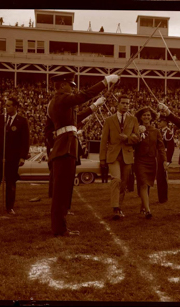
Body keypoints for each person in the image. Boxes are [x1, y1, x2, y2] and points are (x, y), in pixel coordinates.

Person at [47, 72, 119, 236]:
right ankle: (59, 228)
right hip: (65, 147)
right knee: (61, 192)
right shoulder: (61, 99)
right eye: (71, 86)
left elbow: (75, 118)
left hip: (65, 146)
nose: (73, 89)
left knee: (64, 191)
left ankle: (60, 226)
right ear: (63, 85)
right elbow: (84, 96)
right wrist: (105, 82)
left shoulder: (58, 102)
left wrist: (95, 106)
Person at [0, 97, 30, 215]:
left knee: (11, 183)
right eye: (6, 105)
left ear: (15, 107)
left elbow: (25, 141)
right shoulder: (1, 118)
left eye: (8, 105)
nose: (6, 108)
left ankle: (9, 208)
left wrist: (22, 157)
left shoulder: (22, 121)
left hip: (12, 158)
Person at [99, 95, 140, 220]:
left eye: (127, 103)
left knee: (123, 184)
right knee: (116, 179)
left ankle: (119, 207)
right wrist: (102, 158)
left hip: (127, 155)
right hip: (113, 155)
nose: (125, 105)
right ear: (118, 104)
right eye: (123, 103)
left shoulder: (133, 119)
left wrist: (128, 138)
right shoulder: (109, 120)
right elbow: (104, 140)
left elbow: (137, 138)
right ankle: (115, 208)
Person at [134, 107, 167, 219]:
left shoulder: (156, 131)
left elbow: (161, 147)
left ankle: (143, 206)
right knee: (143, 183)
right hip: (140, 160)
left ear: (152, 117)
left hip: (152, 161)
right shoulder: (135, 129)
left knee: (148, 185)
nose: (146, 117)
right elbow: (132, 144)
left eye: (148, 115)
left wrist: (165, 160)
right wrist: (137, 133)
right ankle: (148, 210)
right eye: (144, 115)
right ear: (140, 117)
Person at [156, 115, 175, 204]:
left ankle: (163, 198)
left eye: (160, 121)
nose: (159, 123)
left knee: (162, 177)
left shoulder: (168, 132)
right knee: (159, 177)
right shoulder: (159, 131)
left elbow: (171, 148)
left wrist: (168, 160)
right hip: (158, 155)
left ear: (165, 122)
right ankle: (161, 197)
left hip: (164, 156)